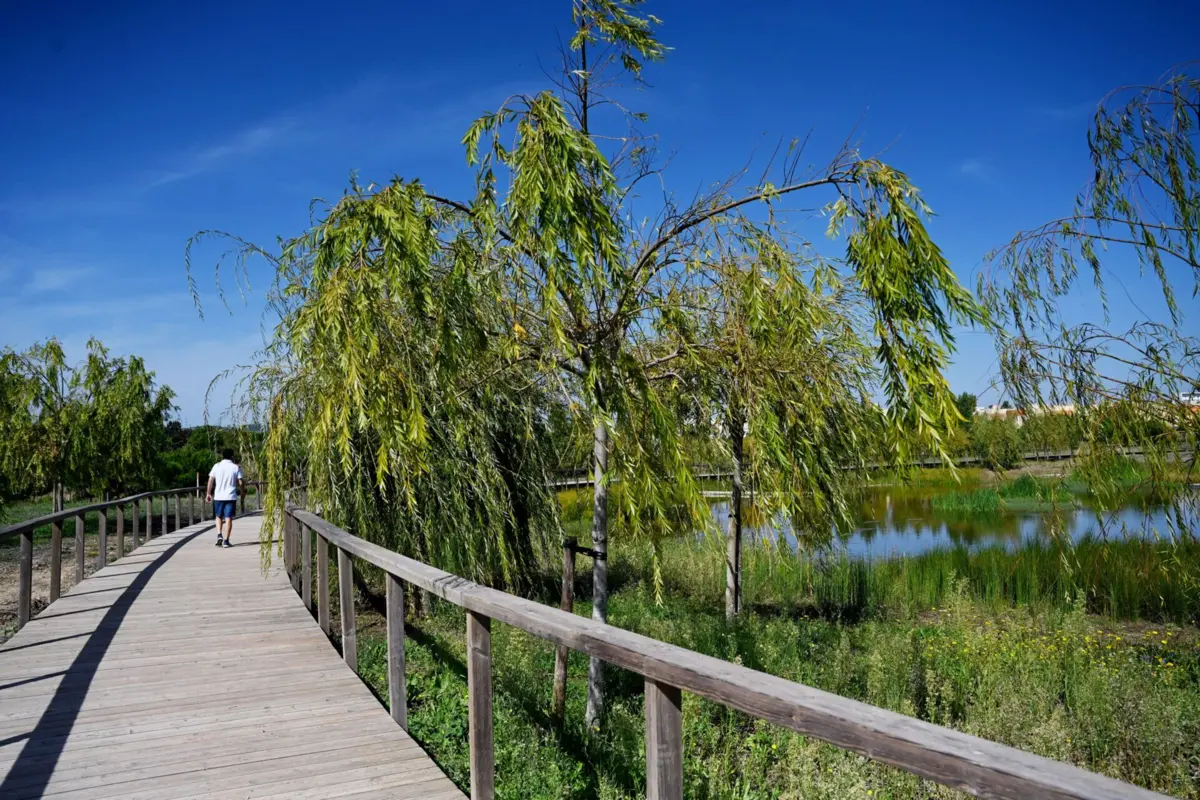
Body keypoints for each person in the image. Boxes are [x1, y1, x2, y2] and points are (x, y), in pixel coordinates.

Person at [206, 448, 244, 548]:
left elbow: (210, 480)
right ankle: (226, 541)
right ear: (232, 456)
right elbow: (240, 482)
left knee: (218, 516)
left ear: (222, 456)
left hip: (218, 496)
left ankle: (219, 535)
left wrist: (208, 493)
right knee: (228, 518)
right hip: (231, 496)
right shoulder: (236, 467)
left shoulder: (216, 466)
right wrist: (243, 492)